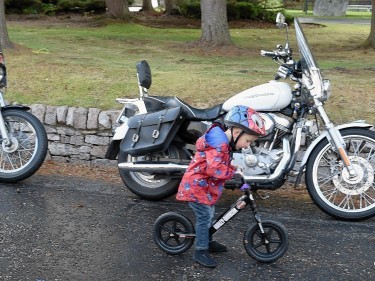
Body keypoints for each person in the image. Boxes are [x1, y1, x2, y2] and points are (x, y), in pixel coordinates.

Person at [176, 105, 266, 268]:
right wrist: (231, 174)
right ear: (237, 133)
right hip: (196, 187)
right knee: (205, 217)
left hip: (204, 188)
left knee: (209, 214)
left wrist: (232, 168)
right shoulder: (219, 144)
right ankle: (200, 250)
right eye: (248, 141)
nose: (247, 145)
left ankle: (207, 240)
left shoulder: (222, 143)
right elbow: (214, 168)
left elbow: (218, 163)